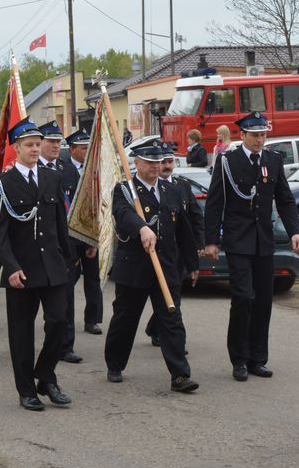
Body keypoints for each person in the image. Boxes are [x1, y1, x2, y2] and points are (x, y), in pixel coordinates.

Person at [203, 112, 299, 381]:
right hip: (238, 241)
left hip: (263, 241)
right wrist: (211, 240)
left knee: (262, 301)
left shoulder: (273, 160)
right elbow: (215, 202)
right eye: (255, 135)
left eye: (263, 135)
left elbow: (285, 199)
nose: (260, 140)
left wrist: (295, 230)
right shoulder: (228, 162)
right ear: (242, 135)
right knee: (243, 298)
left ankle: (258, 358)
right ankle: (239, 358)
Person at [0, 117, 72, 411]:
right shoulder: (2, 184)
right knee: (21, 333)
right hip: (21, 270)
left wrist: (68, 257)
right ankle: (27, 390)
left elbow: (60, 223)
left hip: (52, 266)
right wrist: (10, 267)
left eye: (38, 144)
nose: (36, 149)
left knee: (59, 322)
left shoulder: (52, 178)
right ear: (16, 148)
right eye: (29, 145)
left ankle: (45, 375)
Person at [104, 140, 200, 393]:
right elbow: (123, 215)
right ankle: (115, 364)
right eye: (150, 162)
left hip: (167, 267)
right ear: (136, 163)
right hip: (134, 268)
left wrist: (192, 262)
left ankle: (180, 374)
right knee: (125, 319)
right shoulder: (125, 189)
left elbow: (184, 229)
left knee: (171, 320)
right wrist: (142, 228)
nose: (156, 167)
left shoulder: (173, 190)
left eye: (159, 162)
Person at [144, 142, 204, 348]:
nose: (167, 166)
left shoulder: (182, 186)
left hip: (177, 252)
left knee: (173, 296)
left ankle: (160, 331)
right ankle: (166, 334)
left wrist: (198, 243)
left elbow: (194, 216)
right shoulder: (147, 188)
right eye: (163, 162)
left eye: (170, 161)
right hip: (152, 250)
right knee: (163, 295)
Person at [58, 128, 103, 364]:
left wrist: (94, 237)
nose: (86, 151)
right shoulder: (63, 170)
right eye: (83, 148)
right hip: (69, 237)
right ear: (72, 149)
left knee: (93, 278)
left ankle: (92, 319)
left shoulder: (93, 171)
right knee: (68, 282)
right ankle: (61, 334)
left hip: (90, 233)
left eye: (88, 147)